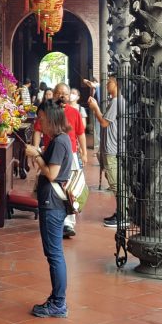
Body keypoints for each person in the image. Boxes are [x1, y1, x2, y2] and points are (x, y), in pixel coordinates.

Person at [25, 103, 72, 318]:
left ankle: (58, 303)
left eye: (42, 118)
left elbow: (52, 174)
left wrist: (36, 155)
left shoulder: (60, 142)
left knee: (54, 254)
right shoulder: (58, 140)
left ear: (51, 119)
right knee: (53, 253)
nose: (39, 122)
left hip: (52, 204)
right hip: (52, 202)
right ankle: (56, 299)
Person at [33, 84, 86, 238]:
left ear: (69, 96)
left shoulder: (74, 112)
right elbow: (37, 130)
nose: (62, 96)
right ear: (53, 94)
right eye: (59, 93)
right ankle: (58, 218)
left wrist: (84, 153)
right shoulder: (47, 112)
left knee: (69, 187)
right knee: (56, 184)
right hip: (52, 152)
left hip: (71, 154)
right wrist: (36, 148)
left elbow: (81, 133)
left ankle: (68, 221)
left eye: (65, 94)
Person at [87, 75, 124, 227]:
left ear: (117, 84)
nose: (107, 85)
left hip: (112, 147)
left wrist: (95, 108)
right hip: (111, 146)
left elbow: (103, 123)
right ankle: (121, 212)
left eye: (109, 82)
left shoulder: (116, 101)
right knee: (114, 181)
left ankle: (123, 215)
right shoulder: (115, 101)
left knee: (116, 183)